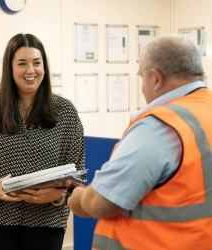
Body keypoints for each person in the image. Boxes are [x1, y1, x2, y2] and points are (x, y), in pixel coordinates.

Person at [68, 35, 212, 249]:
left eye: (141, 77)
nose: (143, 88)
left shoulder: (159, 126)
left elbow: (102, 203)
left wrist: (77, 197)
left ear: (156, 79)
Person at [0, 33, 85, 250]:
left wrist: (59, 195)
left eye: (37, 63)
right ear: (9, 69)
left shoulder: (65, 113)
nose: (31, 70)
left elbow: (77, 173)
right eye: (22, 63)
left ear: (44, 67)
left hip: (45, 225)